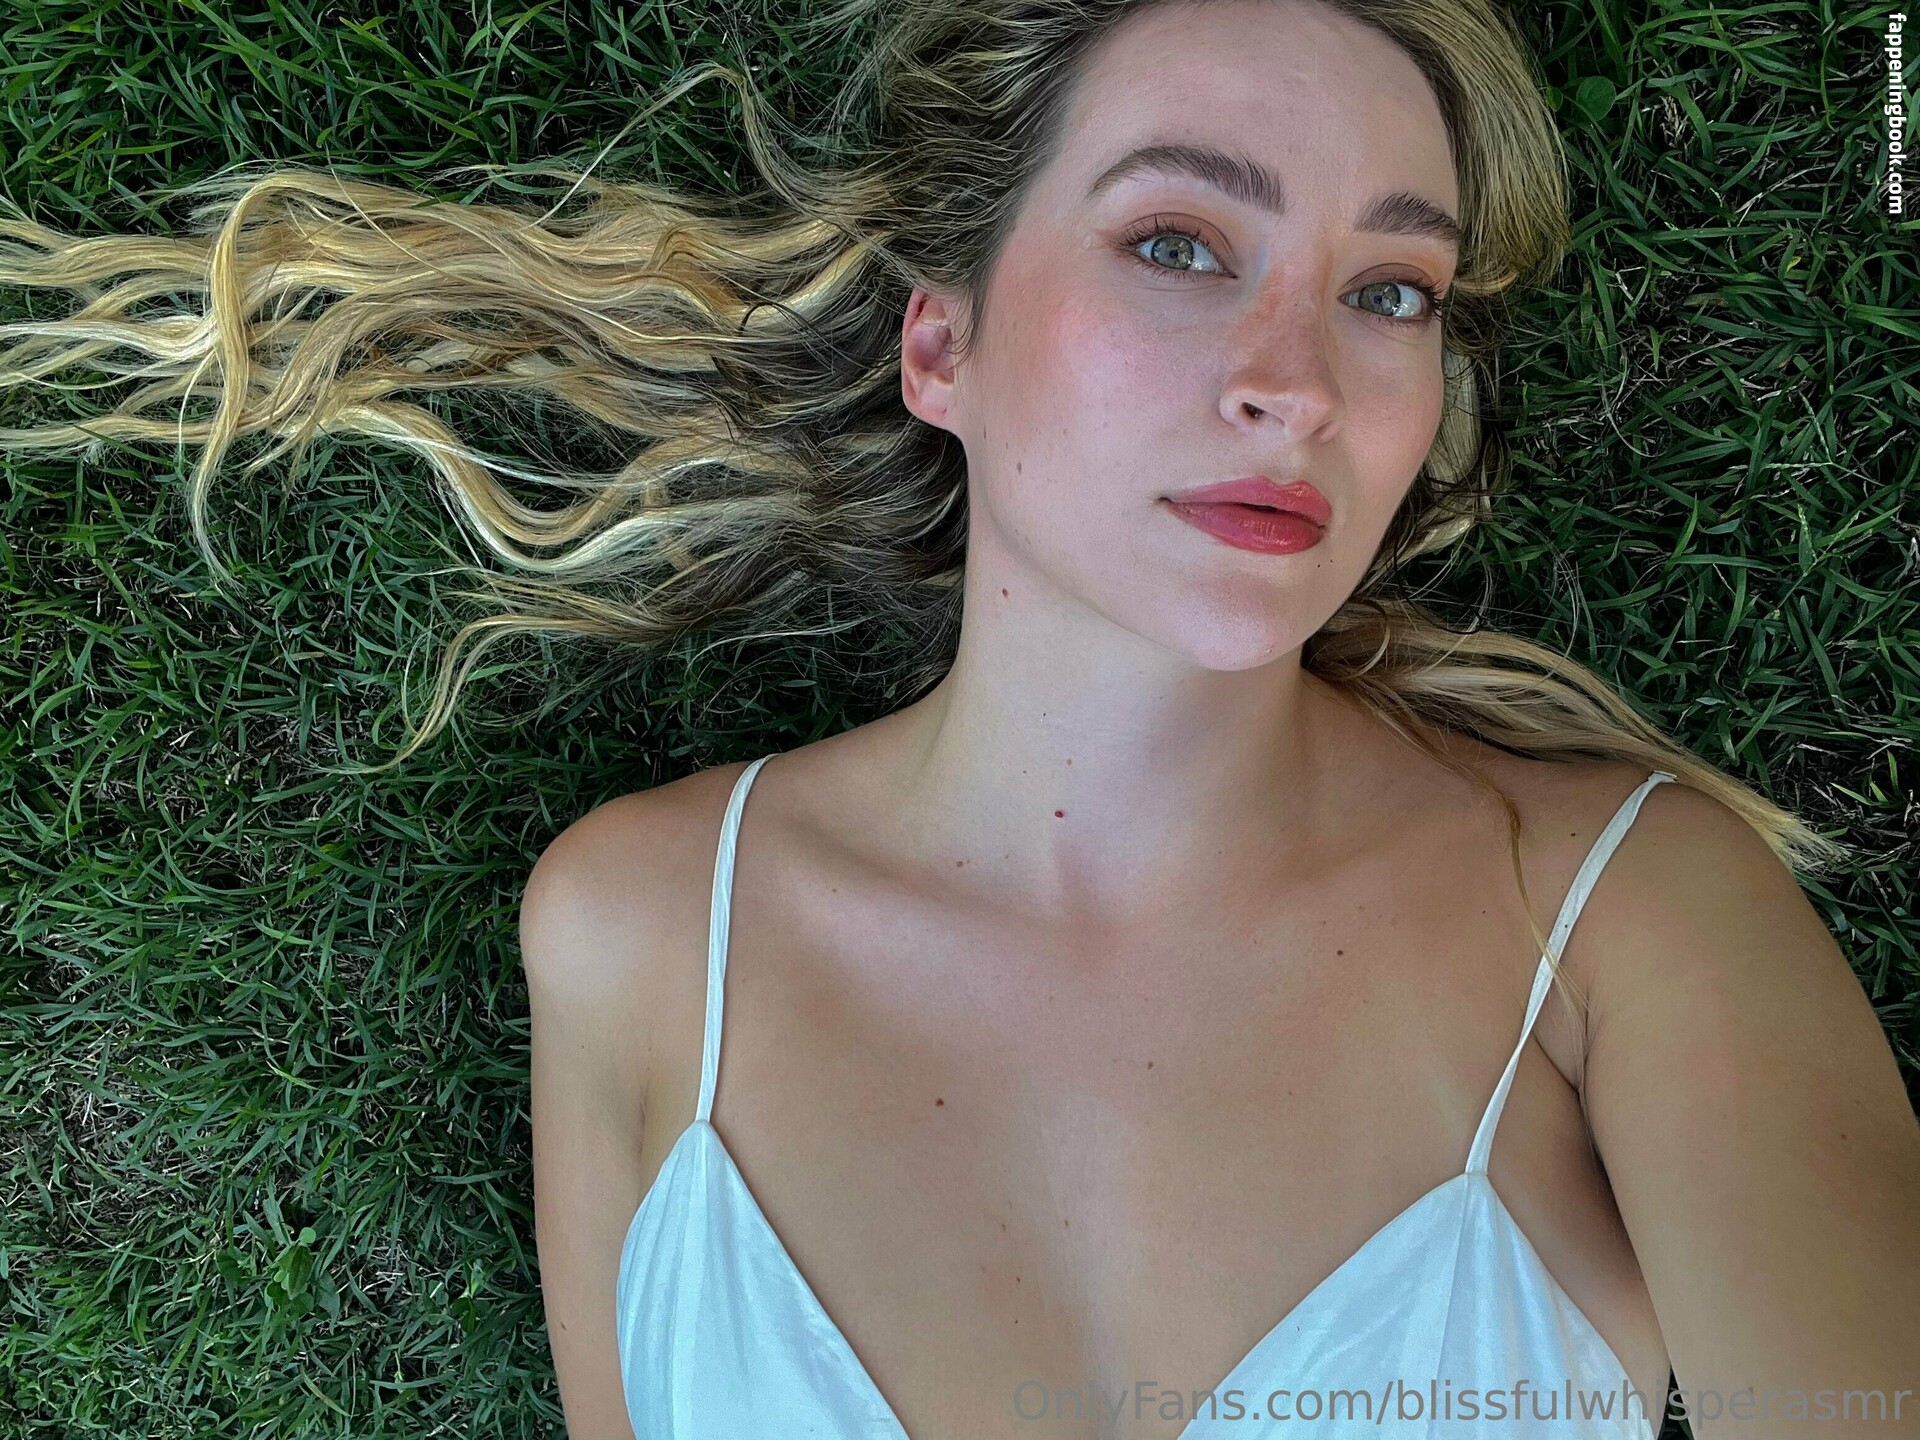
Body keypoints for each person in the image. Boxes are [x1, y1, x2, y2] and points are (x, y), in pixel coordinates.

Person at [2, 0, 1915, 1436]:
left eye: (1391, 291)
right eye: (1181, 242)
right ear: (945, 340)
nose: (1301, 385)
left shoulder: (1628, 919)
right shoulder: (641, 934)